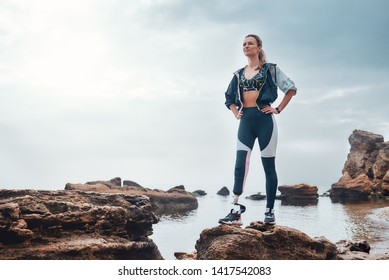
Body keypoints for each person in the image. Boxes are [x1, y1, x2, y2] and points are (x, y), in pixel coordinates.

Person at [219, 34, 297, 225]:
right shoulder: (238, 74)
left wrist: (277, 108)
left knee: (268, 167)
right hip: (246, 123)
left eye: (250, 43)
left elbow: (291, 89)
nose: (246, 46)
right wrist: (235, 112)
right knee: (240, 166)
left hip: (265, 122)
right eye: (244, 44)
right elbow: (229, 97)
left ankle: (269, 211)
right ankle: (235, 211)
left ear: (259, 47)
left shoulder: (271, 69)